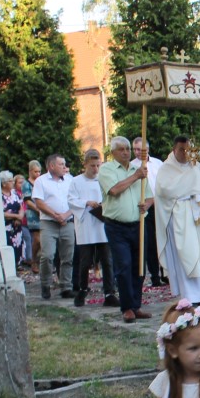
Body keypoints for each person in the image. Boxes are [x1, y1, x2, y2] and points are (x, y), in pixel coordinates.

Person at [154, 135, 200, 306]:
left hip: (199, 220)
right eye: (181, 150)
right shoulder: (166, 169)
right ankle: (190, 296)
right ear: (174, 149)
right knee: (187, 255)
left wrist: (196, 191)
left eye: (188, 149)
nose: (185, 153)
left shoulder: (198, 167)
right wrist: (192, 189)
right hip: (180, 221)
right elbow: (164, 190)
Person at [99, 137, 151, 323]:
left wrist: (147, 204)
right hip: (117, 226)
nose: (126, 152)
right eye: (121, 149)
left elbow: (150, 195)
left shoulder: (138, 170)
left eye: (128, 149)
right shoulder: (107, 169)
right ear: (113, 152)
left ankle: (136, 305)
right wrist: (136, 176)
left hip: (138, 224)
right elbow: (114, 190)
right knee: (124, 266)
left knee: (139, 266)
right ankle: (127, 307)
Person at [68, 149, 118, 308]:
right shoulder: (76, 181)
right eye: (92, 166)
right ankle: (82, 289)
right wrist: (86, 202)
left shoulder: (104, 180)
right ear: (85, 165)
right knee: (85, 261)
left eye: (98, 165)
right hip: (86, 225)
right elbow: (71, 200)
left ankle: (109, 292)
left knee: (107, 260)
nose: (96, 169)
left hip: (102, 224)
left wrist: (103, 205)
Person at [31, 154, 75, 300]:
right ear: (51, 166)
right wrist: (56, 215)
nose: (64, 167)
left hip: (67, 222)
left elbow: (75, 200)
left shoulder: (70, 180)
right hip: (49, 223)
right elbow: (39, 202)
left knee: (67, 256)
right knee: (48, 255)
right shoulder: (41, 181)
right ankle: (45, 284)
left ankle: (66, 286)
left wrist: (65, 215)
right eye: (61, 164)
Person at [132, 136, 165, 287]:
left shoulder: (158, 164)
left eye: (140, 149)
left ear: (148, 149)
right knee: (150, 242)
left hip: (159, 204)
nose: (137, 152)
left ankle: (165, 273)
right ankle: (154, 275)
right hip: (144, 206)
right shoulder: (132, 166)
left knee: (162, 239)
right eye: (135, 149)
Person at [0, 170, 26, 266]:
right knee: (9, 245)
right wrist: (16, 216)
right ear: (4, 183)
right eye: (10, 181)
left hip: (17, 226)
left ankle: (18, 264)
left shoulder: (14, 193)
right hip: (7, 227)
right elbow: (0, 213)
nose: (13, 183)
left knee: (19, 245)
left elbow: (21, 206)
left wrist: (20, 217)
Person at [22, 160, 42, 274]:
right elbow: (27, 201)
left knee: (44, 240)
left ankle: (40, 261)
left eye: (39, 172)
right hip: (33, 214)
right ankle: (34, 260)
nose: (38, 174)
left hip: (43, 212)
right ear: (30, 171)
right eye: (35, 172)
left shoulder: (41, 182)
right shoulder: (26, 184)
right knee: (37, 239)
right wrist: (38, 209)